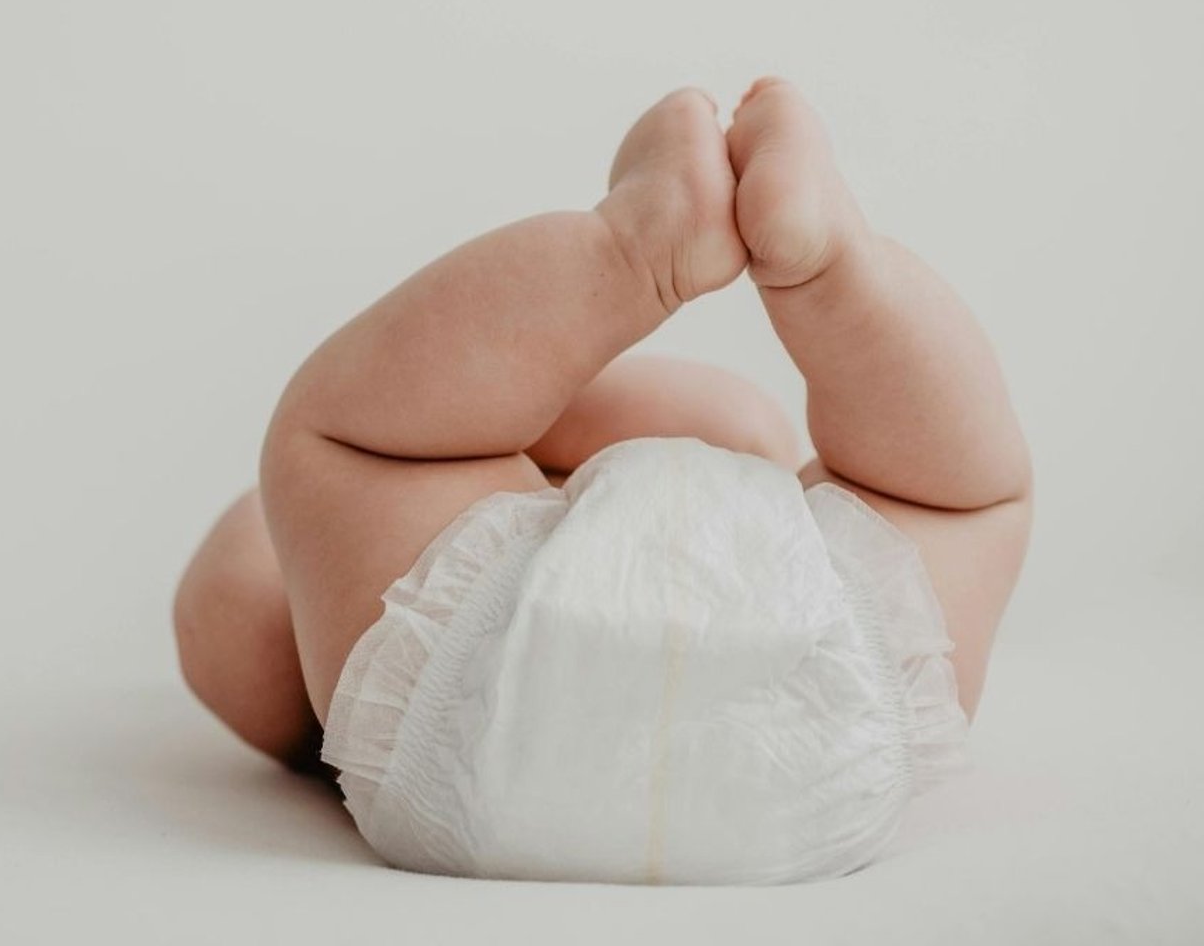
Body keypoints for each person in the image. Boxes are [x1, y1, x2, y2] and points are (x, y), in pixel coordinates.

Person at [171, 79, 1032, 883]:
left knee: (331, 464)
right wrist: (501, 420)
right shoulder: (721, 459)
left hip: (478, 748)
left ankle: (657, 252)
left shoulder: (391, 600)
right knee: (954, 496)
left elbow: (266, 582)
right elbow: (727, 425)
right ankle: (784, 259)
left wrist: (472, 447)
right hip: (832, 732)